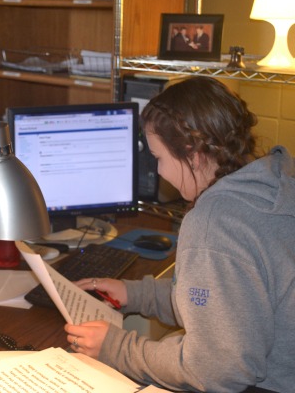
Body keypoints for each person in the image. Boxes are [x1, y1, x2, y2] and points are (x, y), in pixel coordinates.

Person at [65, 77, 295, 392]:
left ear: (193, 152)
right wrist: (136, 295)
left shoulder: (215, 222)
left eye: (159, 157)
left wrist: (114, 347)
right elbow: (232, 303)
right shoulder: (275, 185)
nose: (158, 171)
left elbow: (218, 369)